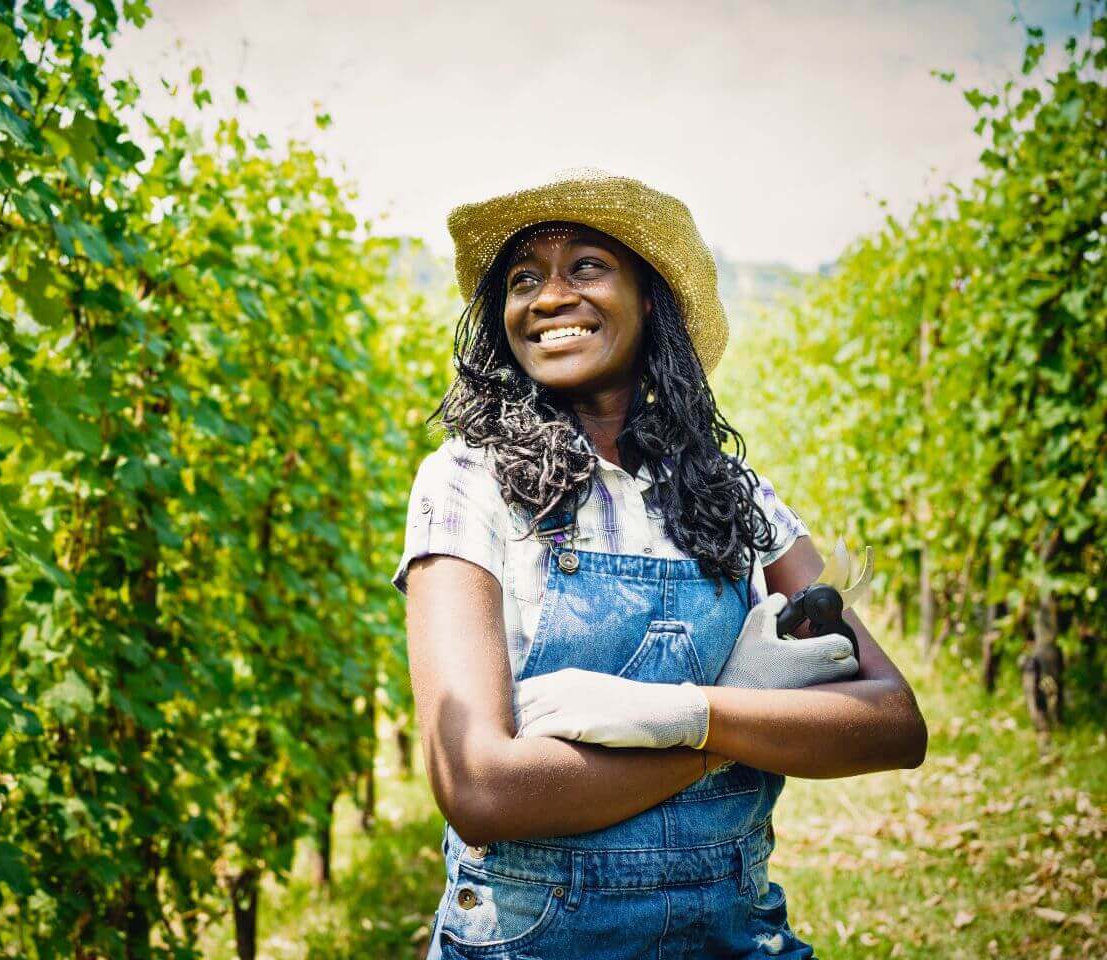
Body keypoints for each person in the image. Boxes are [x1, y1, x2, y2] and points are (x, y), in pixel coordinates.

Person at [392, 168, 927, 959]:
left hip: (736, 934)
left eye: (587, 267)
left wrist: (691, 715)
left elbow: (892, 724)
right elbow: (479, 787)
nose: (547, 296)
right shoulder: (468, 480)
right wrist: (736, 724)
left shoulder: (734, 495)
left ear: (650, 299)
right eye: (523, 278)